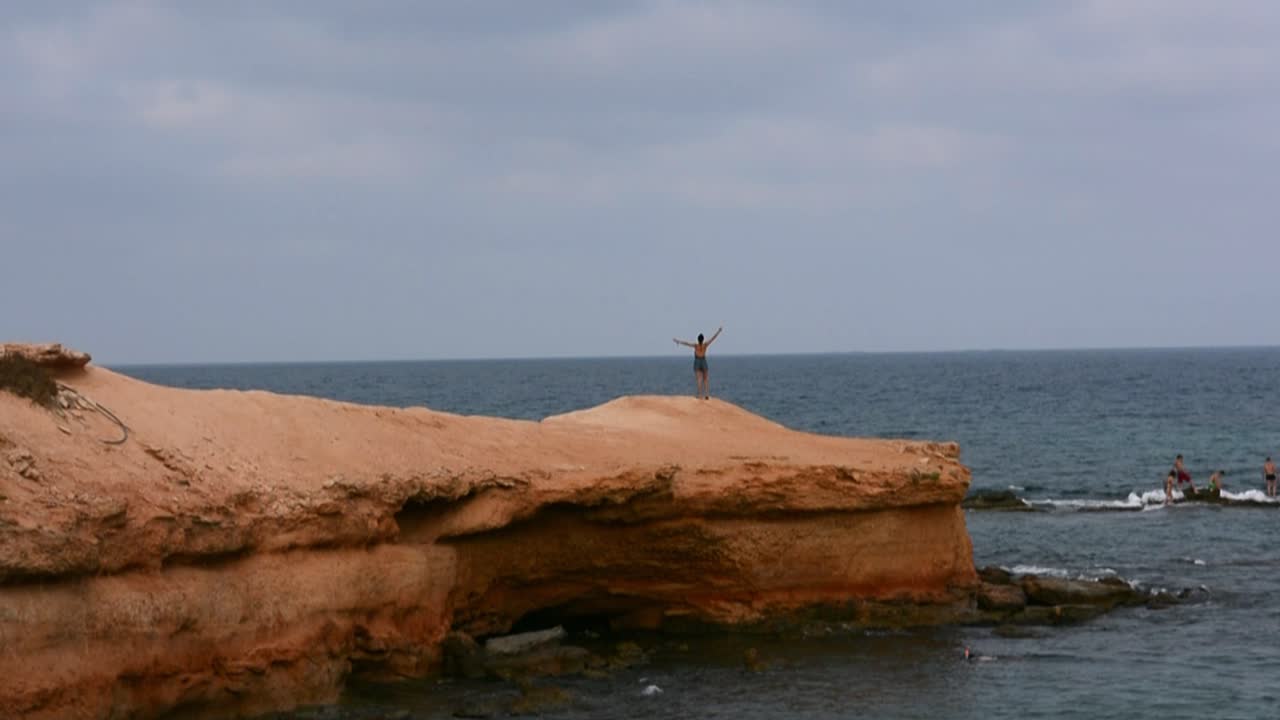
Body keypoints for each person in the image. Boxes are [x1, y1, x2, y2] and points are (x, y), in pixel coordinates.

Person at [673, 326, 723, 399]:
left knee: (699, 379)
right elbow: (713, 338)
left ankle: (699, 394)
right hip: (703, 360)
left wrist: (678, 341)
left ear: (698, 339)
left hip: (697, 361)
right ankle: (707, 394)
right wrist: (719, 331)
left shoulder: (696, 346)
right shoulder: (705, 345)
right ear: (703, 339)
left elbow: (686, 343)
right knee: (705, 379)